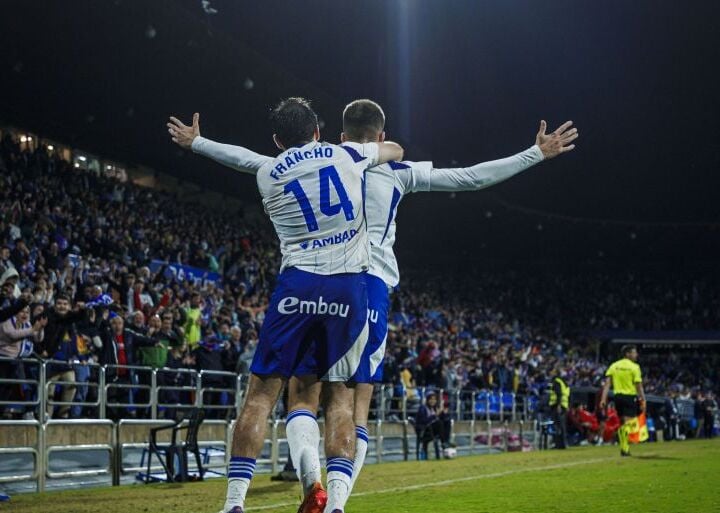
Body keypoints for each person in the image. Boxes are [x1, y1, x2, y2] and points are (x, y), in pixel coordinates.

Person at [181, 98, 578, 511]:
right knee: (353, 402)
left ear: (334, 135)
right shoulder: (393, 171)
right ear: (379, 135)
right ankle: (335, 502)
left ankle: (304, 483)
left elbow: (250, 160)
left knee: (297, 394)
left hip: (305, 281)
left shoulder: (314, 161)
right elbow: (470, 178)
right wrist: (535, 153)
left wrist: (198, 143)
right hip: (364, 289)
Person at [169, 97, 404, 513]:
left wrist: (199, 143)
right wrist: (378, 149)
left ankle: (234, 505)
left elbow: (241, 158)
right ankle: (334, 506)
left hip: (296, 285)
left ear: (278, 140)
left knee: (260, 396)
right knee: (340, 400)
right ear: (318, 130)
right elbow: (394, 152)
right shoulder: (345, 152)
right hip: (348, 289)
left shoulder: (268, 171)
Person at [599, 344, 646, 456]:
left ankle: (624, 447)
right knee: (629, 423)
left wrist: (603, 399)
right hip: (629, 397)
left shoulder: (614, 366)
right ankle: (624, 447)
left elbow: (607, 384)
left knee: (622, 423)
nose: (636, 355)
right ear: (627, 354)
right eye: (634, 352)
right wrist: (643, 399)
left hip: (618, 397)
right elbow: (639, 385)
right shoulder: (635, 367)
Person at [548, 367, 570, 449]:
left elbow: (559, 394)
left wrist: (558, 405)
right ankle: (563, 443)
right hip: (564, 405)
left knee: (558, 425)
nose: (550, 373)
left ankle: (559, 444)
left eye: (552, 371)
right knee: (562, 425)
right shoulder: (563, 382)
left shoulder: (556, 381)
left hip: (557, 405)